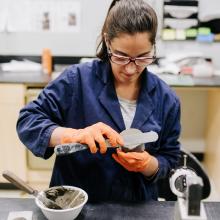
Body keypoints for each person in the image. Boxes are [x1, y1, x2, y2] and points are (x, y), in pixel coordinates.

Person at [17, 0, 181, 203]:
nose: (130, 69)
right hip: (76, 204)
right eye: (121, 57)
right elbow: (28, 121)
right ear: (108, 42)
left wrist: (149, 165)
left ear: (153, 47)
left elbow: (171, 158)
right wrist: (73, 135)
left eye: (142, 57)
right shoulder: (76, 81)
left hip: (137, 207)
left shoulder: (166, 99)